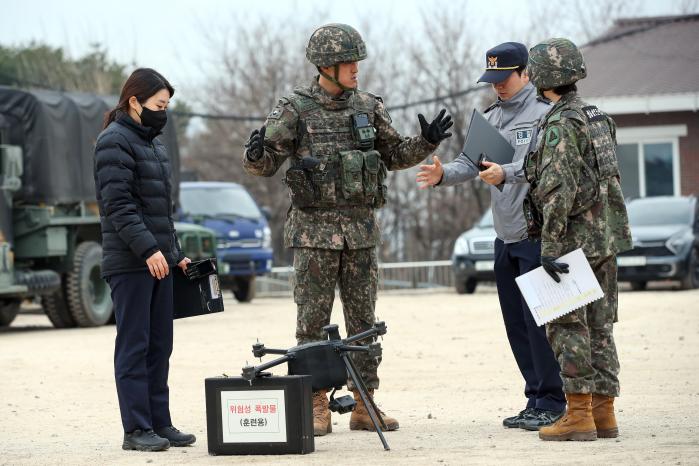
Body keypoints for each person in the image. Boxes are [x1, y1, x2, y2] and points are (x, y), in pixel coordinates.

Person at [242, 23, 452, 436]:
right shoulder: (295, 109)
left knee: (364, 321)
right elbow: (264, 165)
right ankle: (315, 401)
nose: (356, 69)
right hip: (314, 234)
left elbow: (393, 154)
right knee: (312, 321)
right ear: (325, 66)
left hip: (360, 232)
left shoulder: (369, 107)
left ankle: (364, 401)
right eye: (348, 63)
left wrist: (426, 142)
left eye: (357, 62)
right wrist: (254, 152)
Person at [416, 42, 566, 430]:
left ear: (526, 74)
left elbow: (545, 166)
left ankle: (554, 399)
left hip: (537, 234)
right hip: (506, 237)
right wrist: (442, 175)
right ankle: (534, 397)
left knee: (542, 324)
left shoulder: (546, 115)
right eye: (492, 80)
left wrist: (508, 172)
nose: (497, 87)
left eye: (504, 79)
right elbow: (470, 162)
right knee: (516, 324)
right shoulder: (490, 118)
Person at [523, 38, 632, 441]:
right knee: (601, 327)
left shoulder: (560, 124)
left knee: (569, 326)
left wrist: (549, 248)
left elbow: (557, 190)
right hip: (605, 238)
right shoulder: (598, 116)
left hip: (571, 244)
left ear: (542, 77)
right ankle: (604, 414)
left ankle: (579, 415)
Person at [94, 68, 196, 451]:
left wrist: (174, 254)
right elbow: (119, 207)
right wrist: (149, 250)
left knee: (159, 345)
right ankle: (136, 429)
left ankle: (159, 422)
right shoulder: (113, 142)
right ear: (134, 101)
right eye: (158, 104)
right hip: (131, 262)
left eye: (167, 105)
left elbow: (159, 212)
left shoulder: (153, 144)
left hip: (159, 262)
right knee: (134, 345)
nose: (163, 112)